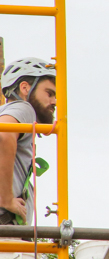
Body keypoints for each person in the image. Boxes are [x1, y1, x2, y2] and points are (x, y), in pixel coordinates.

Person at [0, 58, 56, 225]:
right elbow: (4, 134)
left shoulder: (7, 112)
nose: (54, 102)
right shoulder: (24, 108)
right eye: (49, 93)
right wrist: (7, 199)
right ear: (25, 88)